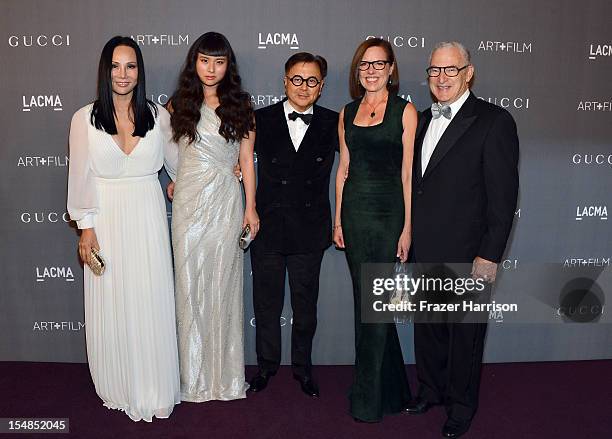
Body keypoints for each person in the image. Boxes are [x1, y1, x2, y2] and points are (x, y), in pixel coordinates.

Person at [404, 41, 519, 438]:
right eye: (435, 70)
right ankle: (430, 391)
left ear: (468, 73)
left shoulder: (493, 121)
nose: (441, 78)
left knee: (465, 335)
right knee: (429, 327)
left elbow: (503, 200)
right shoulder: (417, 120)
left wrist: (488, 256)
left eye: (450, 70)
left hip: (468, 252)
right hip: (424, 247)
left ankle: (461, 405)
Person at [67, 36, 180, 422]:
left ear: (139, 72)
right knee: (113, 301)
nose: (122, 74)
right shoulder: (84, 118)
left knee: (149, 299)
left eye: (130, 66)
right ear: (105, 70)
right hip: (106, 219)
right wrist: (86, 227)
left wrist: (222, 169)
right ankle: (119, 383)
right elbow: (80, 177)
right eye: (115, 66)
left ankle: (153, 384)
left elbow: (181, 168)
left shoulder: (158, 116)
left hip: (148, 217)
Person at [167, 32, 257, 402]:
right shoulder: (178, 105)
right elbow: (170, 153)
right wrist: (176, 181)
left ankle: (225, 380)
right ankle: (192, 379)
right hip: (188, 205)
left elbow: (246, 161)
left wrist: (251, 206)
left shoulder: (241, 106)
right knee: (188, 288)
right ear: (195, 62)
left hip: (224, 202)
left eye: (219, 62)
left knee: (222, 288)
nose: (211, 69)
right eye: (205, 60)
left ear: (227, 66)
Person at [333, 38, 417, 422]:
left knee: (377, 302)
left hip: (387, 215)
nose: (370, 70)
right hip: (354, 213)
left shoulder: (405, 111)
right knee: (364, 302)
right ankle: (392, 388)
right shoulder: (347, 112)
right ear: (357, 70)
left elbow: (407, 175)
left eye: (378, 64)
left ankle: (367, 398)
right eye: (364, 64)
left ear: (391, 68)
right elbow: (343, 169)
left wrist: (407, 228)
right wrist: (337, 218)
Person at [247, 52, 338, 398]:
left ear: (321, 87)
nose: (303, 86)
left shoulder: (333, 122)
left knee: (305, 309)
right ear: (284, 81)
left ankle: (303, 369)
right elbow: (238, 161)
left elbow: (349, 170)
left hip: (310, 228)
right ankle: (266, 367)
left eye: (312, 80)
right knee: (266, 306)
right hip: (267, 226)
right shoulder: (259, 119)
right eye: (297, 79)